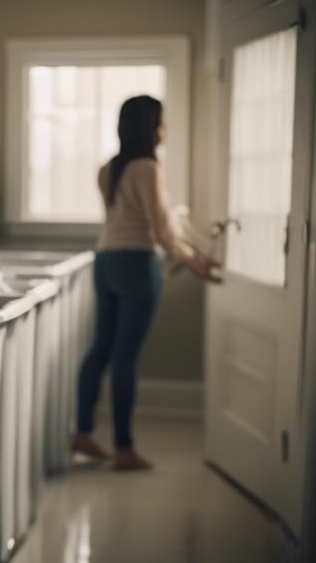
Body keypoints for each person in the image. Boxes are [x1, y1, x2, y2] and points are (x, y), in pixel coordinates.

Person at [72, 95, 219, 470]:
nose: (163, 130)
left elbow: (118, 219)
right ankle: (123, 449)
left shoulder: (108, 168)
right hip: (136, 262)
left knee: (100, 351)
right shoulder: (147, 167)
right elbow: (159, 228)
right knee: (125, 358)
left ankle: (84, 433)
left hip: (104, 260)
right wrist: (194, 262)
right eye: (160, 122)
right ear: (149, 126)